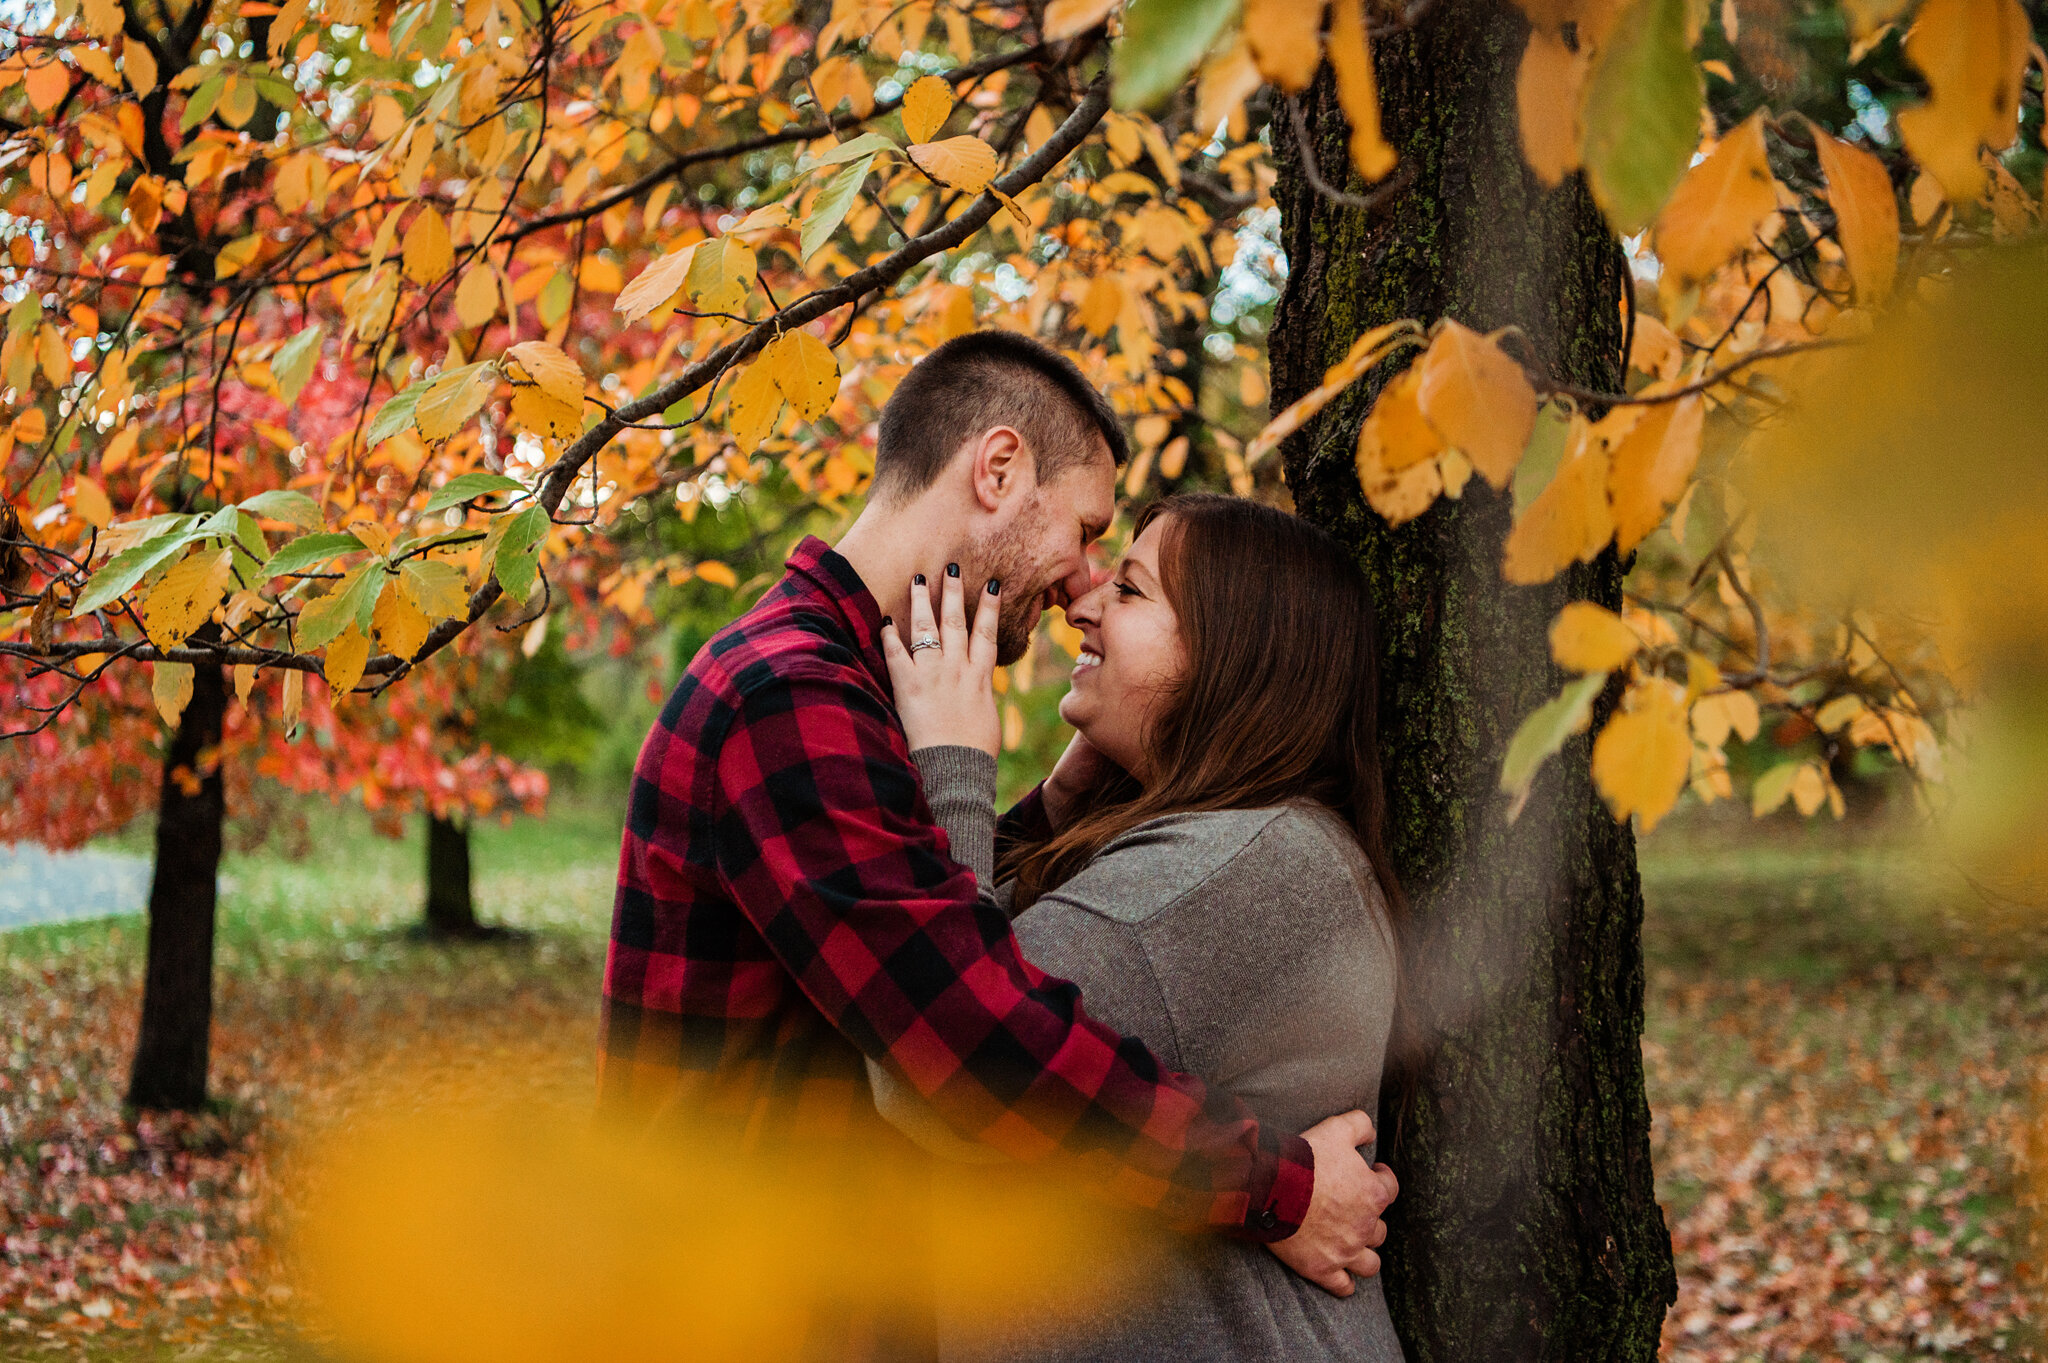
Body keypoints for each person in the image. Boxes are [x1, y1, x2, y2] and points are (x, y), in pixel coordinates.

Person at [598, 333, 1399, 1353]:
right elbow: (968, 1050)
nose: (1078, 586)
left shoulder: (838, 686)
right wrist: (1280, 1187)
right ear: (998, 470)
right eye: (1083, 529)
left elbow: (923, 916)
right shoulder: (791, 699)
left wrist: (1058, 799)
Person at [875, 492, 1409, 1362]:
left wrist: (954, 767)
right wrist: (1055, 806)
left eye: (1129, 590)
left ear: (1230, 659)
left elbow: (940, 1065)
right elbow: (1002, 957)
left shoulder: (1235, 873)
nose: (1081, 603)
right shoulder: (1237, 847)